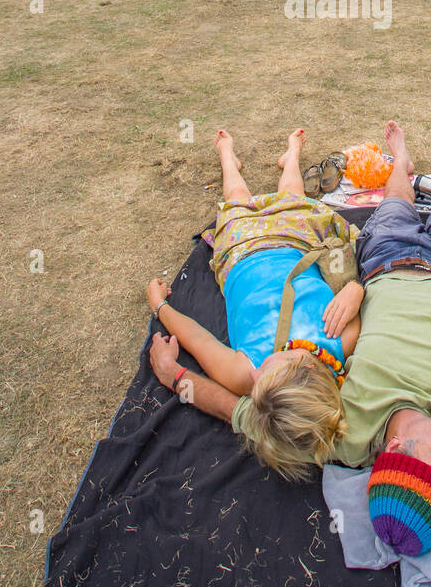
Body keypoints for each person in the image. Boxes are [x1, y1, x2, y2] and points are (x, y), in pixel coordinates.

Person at [151, 123, 431, 550]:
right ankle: (401, 161)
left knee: (396, 201)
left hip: (381, 260)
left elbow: (236, 410)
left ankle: (401, 166)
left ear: (395, 449)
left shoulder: (338, 431)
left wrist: (173, 375)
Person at [147, 128, 362, 480]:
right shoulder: (341, 343)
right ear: (308, 367)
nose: (255, 375)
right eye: (267, 374)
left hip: (242, 255)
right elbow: (349, 292)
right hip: (296, 245)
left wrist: (161, 308)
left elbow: (199, 340)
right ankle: (290, 156)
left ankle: (227, 159)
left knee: (236, 201)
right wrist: (356, 290)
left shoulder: (244, 375)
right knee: (292, 195)